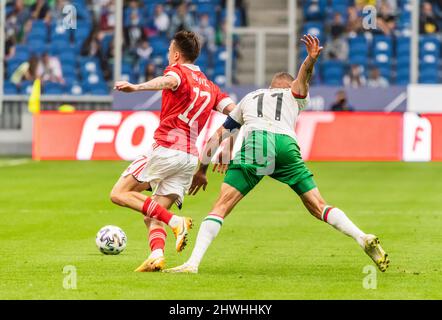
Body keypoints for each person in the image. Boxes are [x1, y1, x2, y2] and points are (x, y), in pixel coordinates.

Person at [164, 35, 389, 274]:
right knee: (318, 206)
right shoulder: (295, 96)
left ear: (271, 86)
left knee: (221, 206)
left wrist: (201, 170)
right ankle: (361, 237)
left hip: (258, 144)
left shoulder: (250, 97)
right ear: (288, 86)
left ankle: (193, 263)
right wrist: (310, 60)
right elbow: (304, 77)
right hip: (286, 146)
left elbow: (218, 136)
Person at [112, 31, 236, 272]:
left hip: (166, 149)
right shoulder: (211, 87)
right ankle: (156, 256)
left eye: (170, 51)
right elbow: (236, 114)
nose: (168, 55)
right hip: (189, 158)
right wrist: (228, 145)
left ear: (177, 55)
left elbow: (168, 81)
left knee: (119, 193)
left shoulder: (177, 72)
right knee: (152, 212)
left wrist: (136, 87)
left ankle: (176, 222)